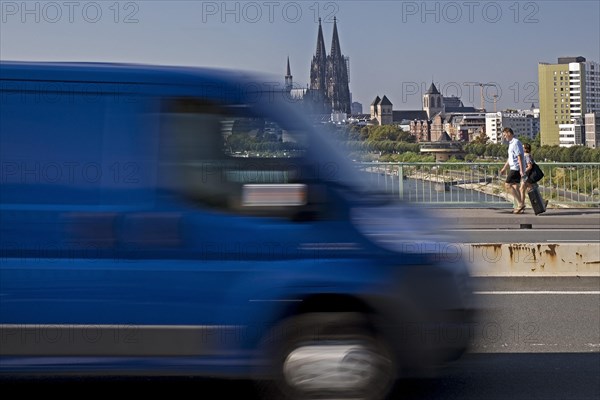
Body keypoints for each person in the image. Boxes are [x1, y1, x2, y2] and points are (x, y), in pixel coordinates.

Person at [499, 127, 526, 213]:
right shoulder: (511, 143)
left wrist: (521, 170)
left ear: (508, 133)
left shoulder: (516, 143)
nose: (504, 137)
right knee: (515, 187)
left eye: (504, 135)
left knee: (507, 185)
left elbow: (519, 157)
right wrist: (504, 168)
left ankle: (521, 204)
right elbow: (510, 158)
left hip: (516, 168)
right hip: (514, 167)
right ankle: (520, 206)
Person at [520, 142, 548, 210]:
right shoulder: (527, 155)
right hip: (528, 176)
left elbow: (529, 166)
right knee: (528, 189)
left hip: (527, 176)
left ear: (525, 149)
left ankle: (521, 205)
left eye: (522, 147)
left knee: (524, 189)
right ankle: (542, 202)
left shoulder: (526, 155)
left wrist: (523, 172)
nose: (521, 148)